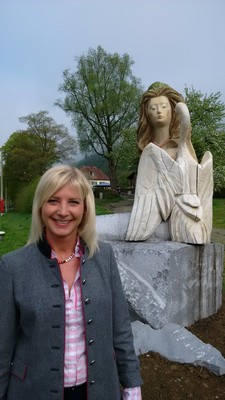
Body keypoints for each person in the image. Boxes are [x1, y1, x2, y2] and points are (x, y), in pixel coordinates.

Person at [0, 165, 143, 400]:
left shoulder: (104, 257)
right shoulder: (12, 267)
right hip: (32, 391)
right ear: (40, 206)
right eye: (53, 201)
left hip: (99, 391)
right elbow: (2, 349)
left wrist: (132, 387)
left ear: (85, 209)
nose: (63, 211)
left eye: (73, 202)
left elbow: (121, 330)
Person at [126, 83, 213, 243]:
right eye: (153, 108)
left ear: (173, 112)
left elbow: (191, 187)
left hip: (182, 218)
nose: (159, 111)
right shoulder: (149, 152)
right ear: (147, 114)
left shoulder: (182, 150)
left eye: (164, 106)